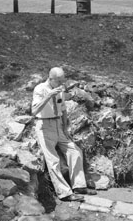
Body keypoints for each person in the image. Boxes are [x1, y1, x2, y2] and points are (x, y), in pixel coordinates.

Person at [32, 67, 96, 202]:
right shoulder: (40, 89)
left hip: (58, 126)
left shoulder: (60, 89)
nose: (61, 83)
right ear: (51, 79)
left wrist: (65, 127)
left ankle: (79, 186)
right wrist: (49, 95)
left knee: (75, 150)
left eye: (63, 81)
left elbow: (63, 109)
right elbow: (34, 110)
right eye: (59, 81)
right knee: (53, 160)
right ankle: (65, 193)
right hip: (45, 126)